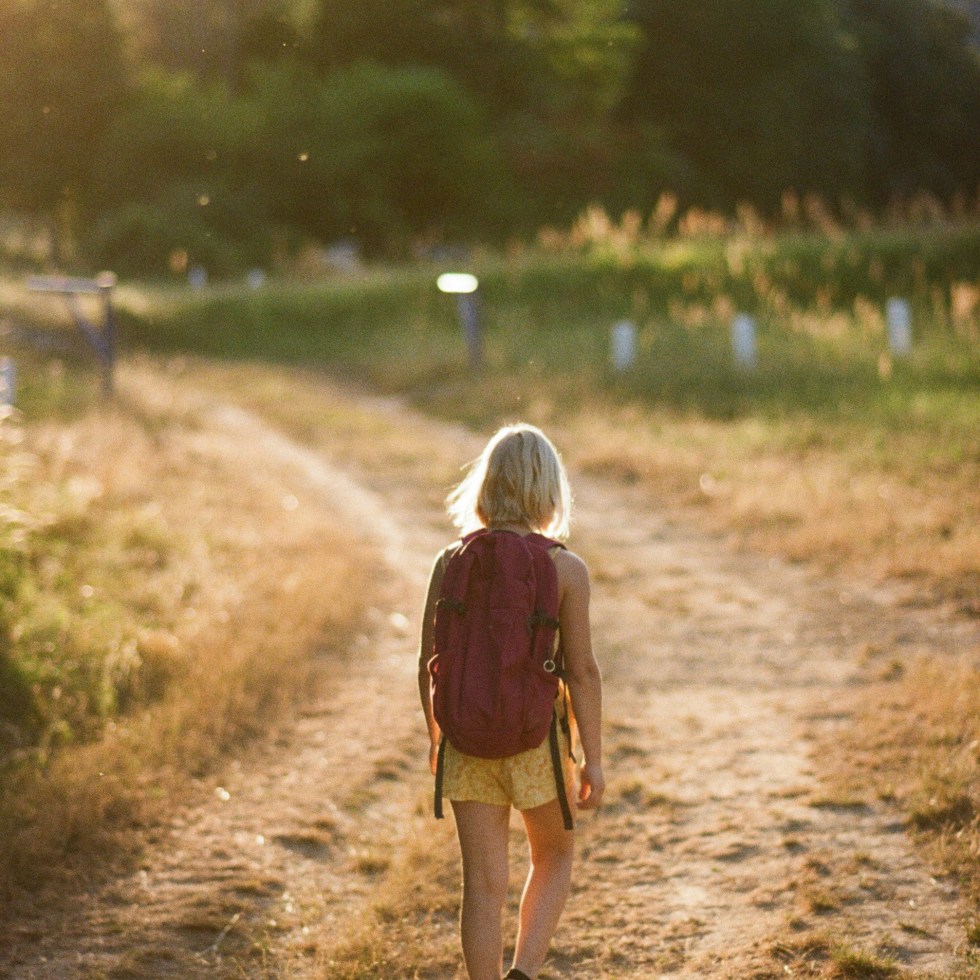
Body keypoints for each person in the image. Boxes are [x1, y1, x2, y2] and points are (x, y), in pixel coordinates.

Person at [417, 423, 605, 980]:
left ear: (488, 484)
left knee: (482, 884)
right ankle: (522, 971)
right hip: (535, 746)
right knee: (554, 855)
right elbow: (583, 672)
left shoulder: (450, 561)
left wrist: (436, 739)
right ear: (548, 490)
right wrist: (592, 757)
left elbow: (428, 660)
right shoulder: (566, 569)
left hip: (466, 744)